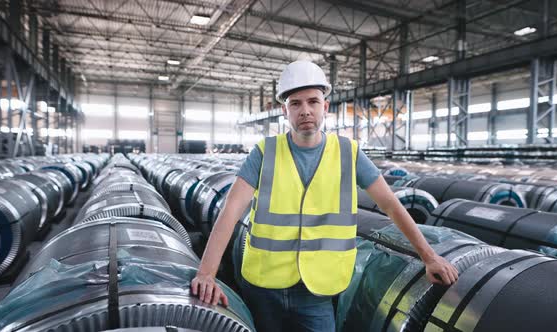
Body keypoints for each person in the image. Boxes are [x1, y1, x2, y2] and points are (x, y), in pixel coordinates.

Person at [191, 60, 458, 332]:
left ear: (325, 107)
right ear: (285, 111)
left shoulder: (349, 153)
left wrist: (429, 256)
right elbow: (231, 210)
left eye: (312, 102)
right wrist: (206, 273)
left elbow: (390, 204)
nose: (305, 110)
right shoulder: (264, 152)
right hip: (264, 286)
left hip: (316, 290)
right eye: (295, 103)